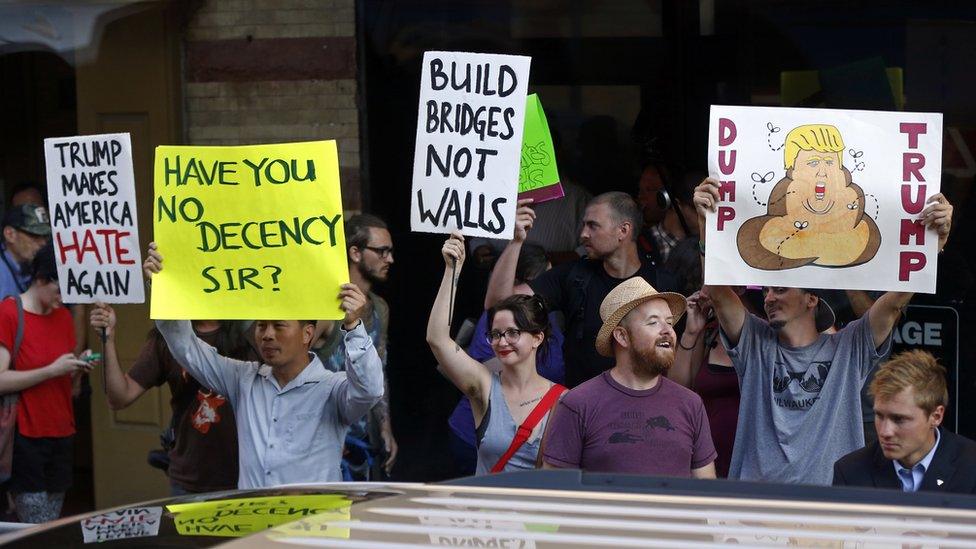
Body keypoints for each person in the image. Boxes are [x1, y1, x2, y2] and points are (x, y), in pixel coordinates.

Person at [693, 178, 954, 485]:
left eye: (780, 288)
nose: (768, 297)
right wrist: (704, 222)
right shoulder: (756, 342)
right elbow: (718, 292)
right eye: (766, 290)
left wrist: (932, 244)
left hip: (830, 511)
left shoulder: (848, 347)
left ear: (811, 299)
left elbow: (895, 302)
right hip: (757, 510)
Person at [143, 242, 384, 488]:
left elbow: (370, 390)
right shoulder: (244, 379)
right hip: (256, 522)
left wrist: (354, 327)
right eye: (261, 326)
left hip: (314, 523)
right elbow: (187, 348)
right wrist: (164, 289)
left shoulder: (332, 389)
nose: (267, 335)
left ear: (307, 334)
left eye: (279, 326)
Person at [486, 192, 679, 388]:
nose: (583, 234)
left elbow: (676, 364)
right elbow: (498, 303)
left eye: (593, 226)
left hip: (644, 409)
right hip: (583, 409)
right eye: (584, 225)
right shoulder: (574, 275)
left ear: (623, 230)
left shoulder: (663, 285)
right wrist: (516, 241)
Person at [542, 277, 717, 478]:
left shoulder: (691, 404)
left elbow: (706, 491)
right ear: (622, 336)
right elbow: (556, 492)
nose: (668, 330)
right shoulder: (578, 404)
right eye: (653, 322)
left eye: (669, 322)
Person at [428, 233, 565, 475]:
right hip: (485, 510)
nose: (502, 342)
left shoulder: (562, 400)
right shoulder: (485, 387)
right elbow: (437, 340)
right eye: (495, 334)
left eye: (513, 333)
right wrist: (452, 270)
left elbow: (552, 479)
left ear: (538, 337)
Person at [89, 305, 257, 495]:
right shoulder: (168, 335)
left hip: (249, 477)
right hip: (190, 479)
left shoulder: (253, 333)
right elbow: (120, 397)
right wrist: (107, 340)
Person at [0, 243, 92, 522]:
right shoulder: (9, 313)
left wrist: (77, 366)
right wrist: (51, 370)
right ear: (41, 279)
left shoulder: (63, 316)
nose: (64, 298)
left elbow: (63, 375)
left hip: (62, 432)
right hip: (26, 436)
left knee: (52, 521)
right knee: (36, 524)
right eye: (60, 289)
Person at [312, 214, 397, 479]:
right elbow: (292, 366)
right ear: (355, 253)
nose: (390, 259)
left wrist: (385, 428)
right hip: (319, 442)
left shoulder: (379, 308)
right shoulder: (327, 304)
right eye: (382, 251)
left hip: (359, 442)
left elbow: (378, 368)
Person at [833, 350, 976, 493]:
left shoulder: (970, 467)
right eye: (879, 416)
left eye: (899, 419)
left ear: (936, 416)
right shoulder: (851, 472)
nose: (885, 432)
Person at [670, 290, 740, 478]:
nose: (704, 291)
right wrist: (691, 332)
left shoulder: (764, 331)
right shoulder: (710, 330)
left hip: (749, 459)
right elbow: (677, 391)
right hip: (707, 457)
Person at [0, 205, 50, 300]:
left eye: (45, 236)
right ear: (10, 234)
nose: (43, 243)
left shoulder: (36, 264)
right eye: (34, 235)